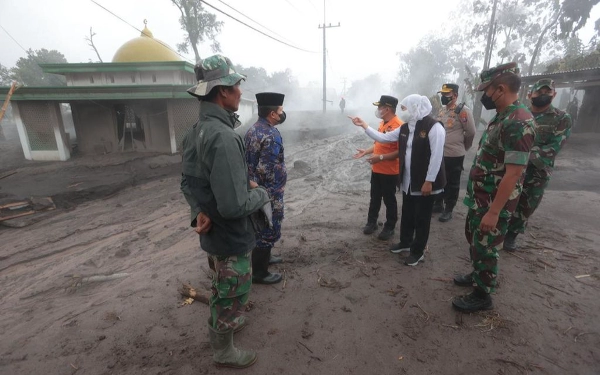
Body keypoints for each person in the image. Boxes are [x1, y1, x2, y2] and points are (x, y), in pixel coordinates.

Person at [181, 54, 270, 368]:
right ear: (222, 91)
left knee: (223, 284)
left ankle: (229, 325)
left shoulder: (196, 132)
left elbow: (188, 183)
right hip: (231, 235)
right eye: (236, 86)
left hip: (213, 233)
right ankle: (224, 351)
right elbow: (234, 206)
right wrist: (261, 194)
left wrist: (198, 213)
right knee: (231, 290)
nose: (240, 93)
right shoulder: (225, 138)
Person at [452, 62, 536, 313]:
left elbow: (514, 173)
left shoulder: (519, 122)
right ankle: (478, 273)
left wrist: (494, 212)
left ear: (499, 89)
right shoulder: (503, 116)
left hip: (493, 201)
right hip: (482, 196)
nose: (484, 96)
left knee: (487, 245)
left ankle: (482, 294)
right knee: (476, 239)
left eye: (486, 90)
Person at [350, 94, 446, 266]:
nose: (404, 112)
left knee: (422, 217)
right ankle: (405, 242)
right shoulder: (407, 127)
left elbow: (437, 157)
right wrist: (364, 125)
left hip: (425, 181)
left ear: (416, 107)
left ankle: (418, 252)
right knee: (408, 212)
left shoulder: (434, 127)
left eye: (405, 108)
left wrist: (429, 180)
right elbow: (383, 138)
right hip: (409, 180)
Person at [503, 79, 572, 251]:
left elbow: (554, 146)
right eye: (539, 93)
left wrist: (523, 156)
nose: (543, 96)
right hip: (511, 167)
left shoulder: (561, 118)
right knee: (505, 198)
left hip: (537, 171)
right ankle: (501, 229)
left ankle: (512, 234)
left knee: (527, 203)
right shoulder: (519, 113)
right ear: (530, 95)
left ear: (554, 94)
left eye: (547, 93)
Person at [244, 92, 288, 284]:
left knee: (259, 226)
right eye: (281, 111)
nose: (282, 114)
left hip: (254, 188)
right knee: (269, 226)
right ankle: (260, 273)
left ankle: (266, 257)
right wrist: (275, 189)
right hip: (268, 191)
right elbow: (266, 169)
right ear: (272, 114)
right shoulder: (271, 135)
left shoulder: (253, 129)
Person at [353, 95, 402, 241]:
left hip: (390, 171)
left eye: (379, 107)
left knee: (389, 199)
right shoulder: (383, 123)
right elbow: (378, 143)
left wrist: (379, 158)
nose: (378, 109)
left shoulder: (398, 125)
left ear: (387, 109)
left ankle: (390, 226)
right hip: (377, 169)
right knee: (374, 197)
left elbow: (400, 151)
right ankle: (371, 222)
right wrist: (366, 152)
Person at [433, 83, 476, 222]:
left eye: (447, 94)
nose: (443, 97)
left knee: (452, 182)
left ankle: (449, 208)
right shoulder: (442, 111)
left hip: (454, 154)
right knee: (439, 179)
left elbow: (471, 132)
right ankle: (438, 204)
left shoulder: (463, 111)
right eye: (443, 94)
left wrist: (464, 147)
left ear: (455, 95)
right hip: (440, 153)